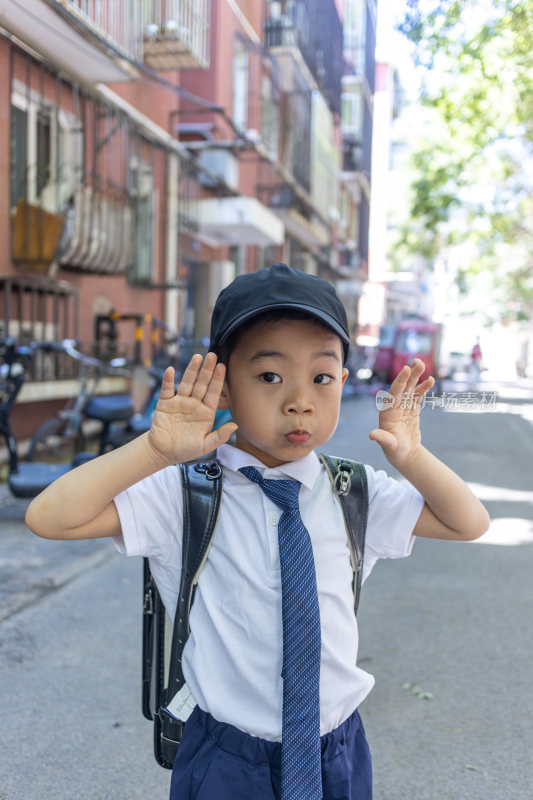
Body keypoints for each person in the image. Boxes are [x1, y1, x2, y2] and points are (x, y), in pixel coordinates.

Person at [25, 263, 490, 800]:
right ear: (222, 386)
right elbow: (49, 517)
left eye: (321, 377)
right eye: (269, 376)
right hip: (227, 757)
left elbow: (468, 522)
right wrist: (152, 451)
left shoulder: (354, 492)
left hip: (334, 750)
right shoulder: (186, 495)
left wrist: (412, 456)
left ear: (343, 381)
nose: (300, 400)